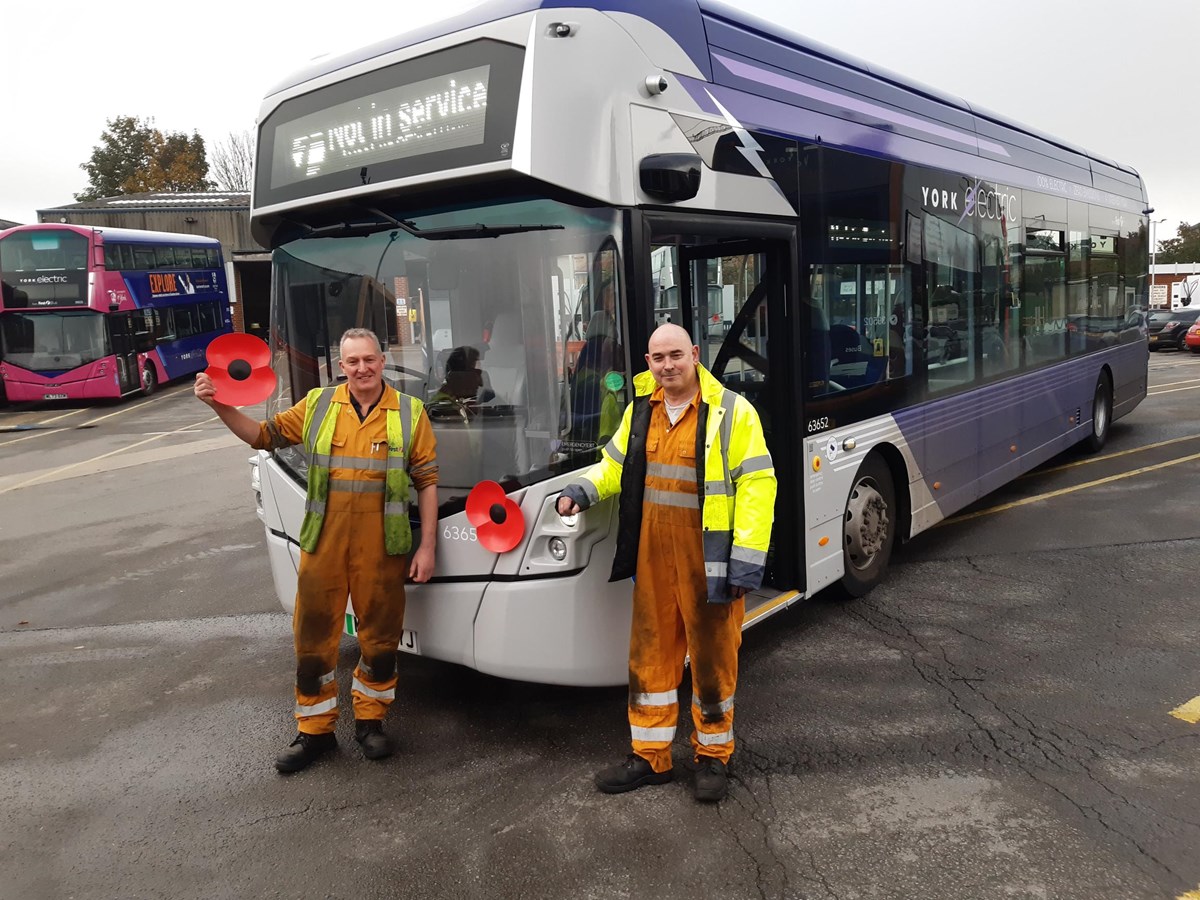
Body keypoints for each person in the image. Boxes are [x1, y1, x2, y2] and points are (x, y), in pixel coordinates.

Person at [194, 328, 438, 773]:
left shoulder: (410, 412)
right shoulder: (318, 405)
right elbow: (261, 435)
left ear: (383, 361)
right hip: (323, 545)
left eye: (369, 359)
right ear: (341, 366)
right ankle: (315, 732)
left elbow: (426, 480)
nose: (362, 368)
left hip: (383, 549)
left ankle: (371, 723)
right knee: (312, 644)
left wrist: (427, 546)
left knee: (380, 642)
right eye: (352, 361)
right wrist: (218, 404)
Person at [556, 323, 776, 802]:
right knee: (650, 659)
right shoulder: (640, 411)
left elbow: (759, 487)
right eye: (657, 358)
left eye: (675, 355)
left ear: (695, 354)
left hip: (708, 561)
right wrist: (580, 491)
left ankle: (713, 757)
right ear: (648, 361)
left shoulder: (732, 414)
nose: (667, 366)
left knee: (715, 661)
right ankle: (650, 758)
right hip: (653, 560)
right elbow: (613, 467)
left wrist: (745, 562)